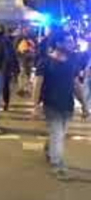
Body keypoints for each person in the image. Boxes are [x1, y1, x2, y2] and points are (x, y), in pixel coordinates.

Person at [32, 31, 84, 181]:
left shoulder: (72, 62)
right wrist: (35, 106)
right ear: (59, 43)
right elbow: (37, 84)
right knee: (58, 135)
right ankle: (58, 166)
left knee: (59, 134)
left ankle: (50, 149)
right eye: (68, 41)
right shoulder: (45, 62)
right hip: (51, 105)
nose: (72, 44)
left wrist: (85, 104)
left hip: (67, 105)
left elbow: (76, 85)